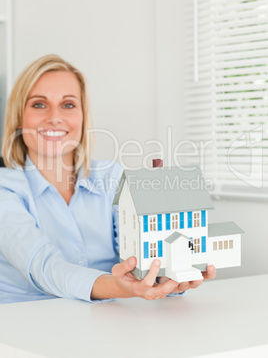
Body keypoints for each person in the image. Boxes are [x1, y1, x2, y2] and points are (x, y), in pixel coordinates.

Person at [0, 54, 216, 304]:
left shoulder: (111, 176)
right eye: (39, 104)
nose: (54, 117)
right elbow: (46, 267)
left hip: (108, 320)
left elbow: (139, 253)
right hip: (25, 326)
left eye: (68, 104)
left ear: (82, 116)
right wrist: (120, 288)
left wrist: (164, 278)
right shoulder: (5, 189)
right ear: (18, 118)